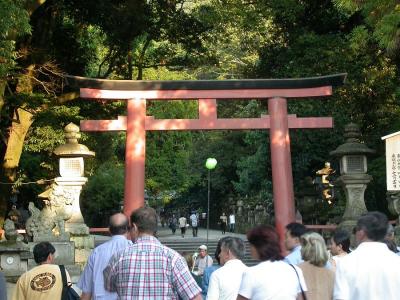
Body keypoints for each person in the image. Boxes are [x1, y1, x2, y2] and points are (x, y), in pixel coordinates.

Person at [104, 206, 201, 299]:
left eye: (130, 228)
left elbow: (109, 286)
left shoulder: (118, 257)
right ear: (154, 228)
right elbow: (195, 296)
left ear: (135, 227)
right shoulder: (173, 258)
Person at [334, 211, 400, 300]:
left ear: (361, 232)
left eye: (355, 230)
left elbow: (340, 297)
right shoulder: (396, 262)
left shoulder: (345, 263)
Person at [237, 225, 307, 300]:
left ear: (258, 247)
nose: (250, 249)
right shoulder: (295, 270)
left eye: (251, 245)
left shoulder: (251, 273)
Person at [78, 213, 132, 300]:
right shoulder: (134, 250)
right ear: (127, 229)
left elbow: (86, 293)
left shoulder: (97, 252)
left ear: (109, 229)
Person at [298, 232, 335, 300]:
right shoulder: (332, 275)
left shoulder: (296, 270)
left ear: (306, 248)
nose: (300, 249)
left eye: (302, 246)